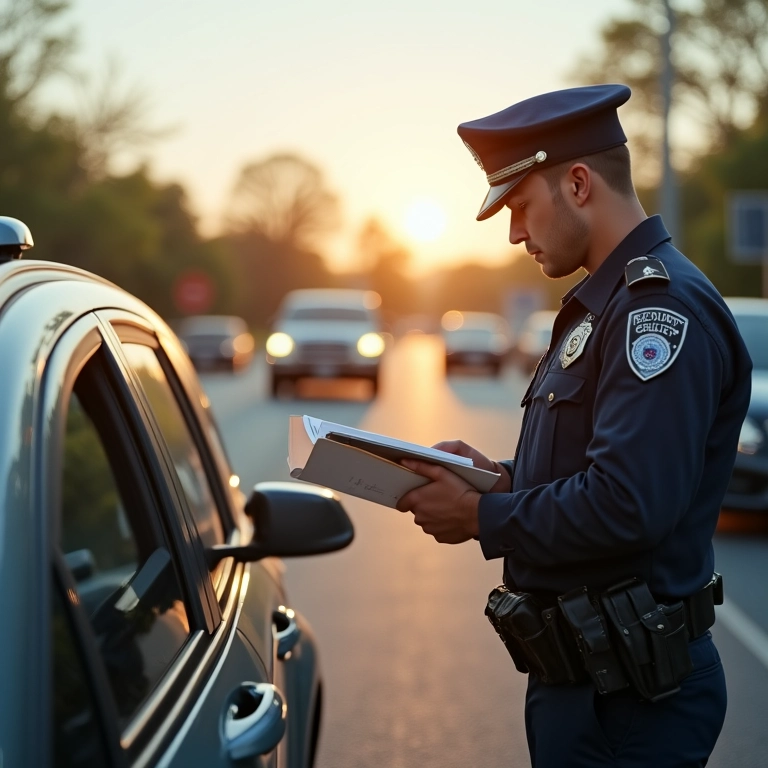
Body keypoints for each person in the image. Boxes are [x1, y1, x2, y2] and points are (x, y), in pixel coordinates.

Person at [396, 84, 752, 768]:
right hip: (593, 686)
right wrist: (497, 476)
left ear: (579, 184)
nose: (513, 232)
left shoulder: (657, 311)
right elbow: (594, 466)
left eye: (520, 205)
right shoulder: (605, 304)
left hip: (633, 704)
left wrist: (482, 515)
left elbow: (628, 505)